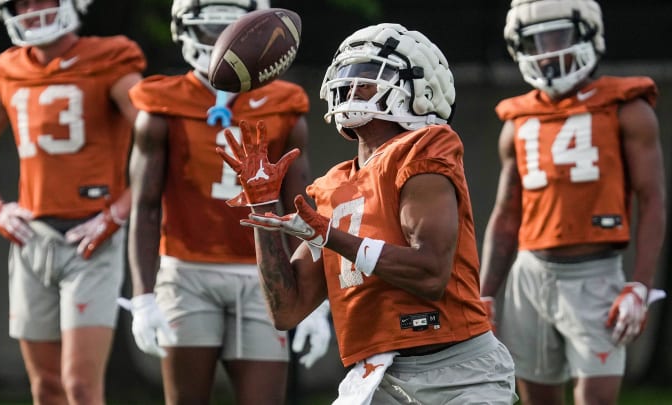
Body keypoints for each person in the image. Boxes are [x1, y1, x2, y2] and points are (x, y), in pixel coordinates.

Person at [218, 23, 518, 404]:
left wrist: (331, 236)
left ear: (420, 90)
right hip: (374, 377)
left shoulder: (424, 147)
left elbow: (430, 273)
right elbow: (286, 309)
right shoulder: (332, 185)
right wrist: (261, 205)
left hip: (457, 370)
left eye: (368, 76)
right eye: (347, 75)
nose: (350, 86)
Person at [123, 1, 331, 404]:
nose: (221, 42)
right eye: (210, 29)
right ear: (183, 30)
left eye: (230, 30)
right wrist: (143, 295)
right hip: (186, 272)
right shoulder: (160, 107)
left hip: (264, 276)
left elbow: (302, 213)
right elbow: (145, 207)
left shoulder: (286, 105)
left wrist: (317, 300)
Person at [0, 0, 145, 404]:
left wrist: (120, 209)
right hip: (33, 239)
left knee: (79, 384)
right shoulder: (10, 70)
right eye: (25, 1)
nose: (35, 9)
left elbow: (158, 146)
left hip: (92, 238)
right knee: (45, 385)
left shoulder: (108, 59)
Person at [478, 0, 667, 404]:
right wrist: (486, 292)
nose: (546, 50)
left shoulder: (627, 108)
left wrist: (641, 285)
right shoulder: (518, 120)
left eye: (556, 36)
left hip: (595, 274)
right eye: (535, 41)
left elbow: (653, 201)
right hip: (529, 274)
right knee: (535, 399)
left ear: (587, 34)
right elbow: (507, 215)